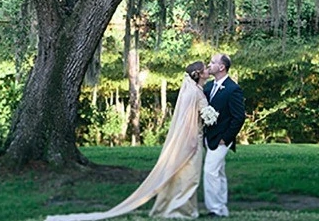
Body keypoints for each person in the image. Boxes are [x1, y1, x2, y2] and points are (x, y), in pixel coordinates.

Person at [45, 61, 211, 220]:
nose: (208, 70)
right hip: (192, 140)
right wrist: (211, 117)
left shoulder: (191, 90)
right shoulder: (195, 92)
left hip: (188, 139)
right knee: (191, 176)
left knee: (182, 175)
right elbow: (193, 119)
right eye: (205, 68)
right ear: (199, 74)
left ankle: (178, 206)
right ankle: (181, 209)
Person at [201, 53, 245, 218]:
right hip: (209, 137)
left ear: (221, 67)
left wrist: (225, 139)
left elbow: (238, 117)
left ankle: (215, 209)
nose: (209, 64)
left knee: (210, 171)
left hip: (221, 140)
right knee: (218, 173)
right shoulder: (208, 86)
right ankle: (222, 209)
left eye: (212, 62)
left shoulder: (233, 89)